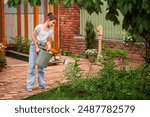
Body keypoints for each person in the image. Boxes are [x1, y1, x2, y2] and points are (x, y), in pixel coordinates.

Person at [27, 13, 57, 92]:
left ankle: (42, 84)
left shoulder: (50, 31)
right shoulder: (39, 27)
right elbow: (33, 36)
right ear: (48, 20)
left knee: (41, 67)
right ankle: (30, 85)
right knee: (32, 66)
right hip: (34, 47)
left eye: (54, 23)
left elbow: (47, 40)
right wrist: (36, 47)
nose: (53, 24)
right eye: (53, 22)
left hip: (43, 48)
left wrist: (49, 45)